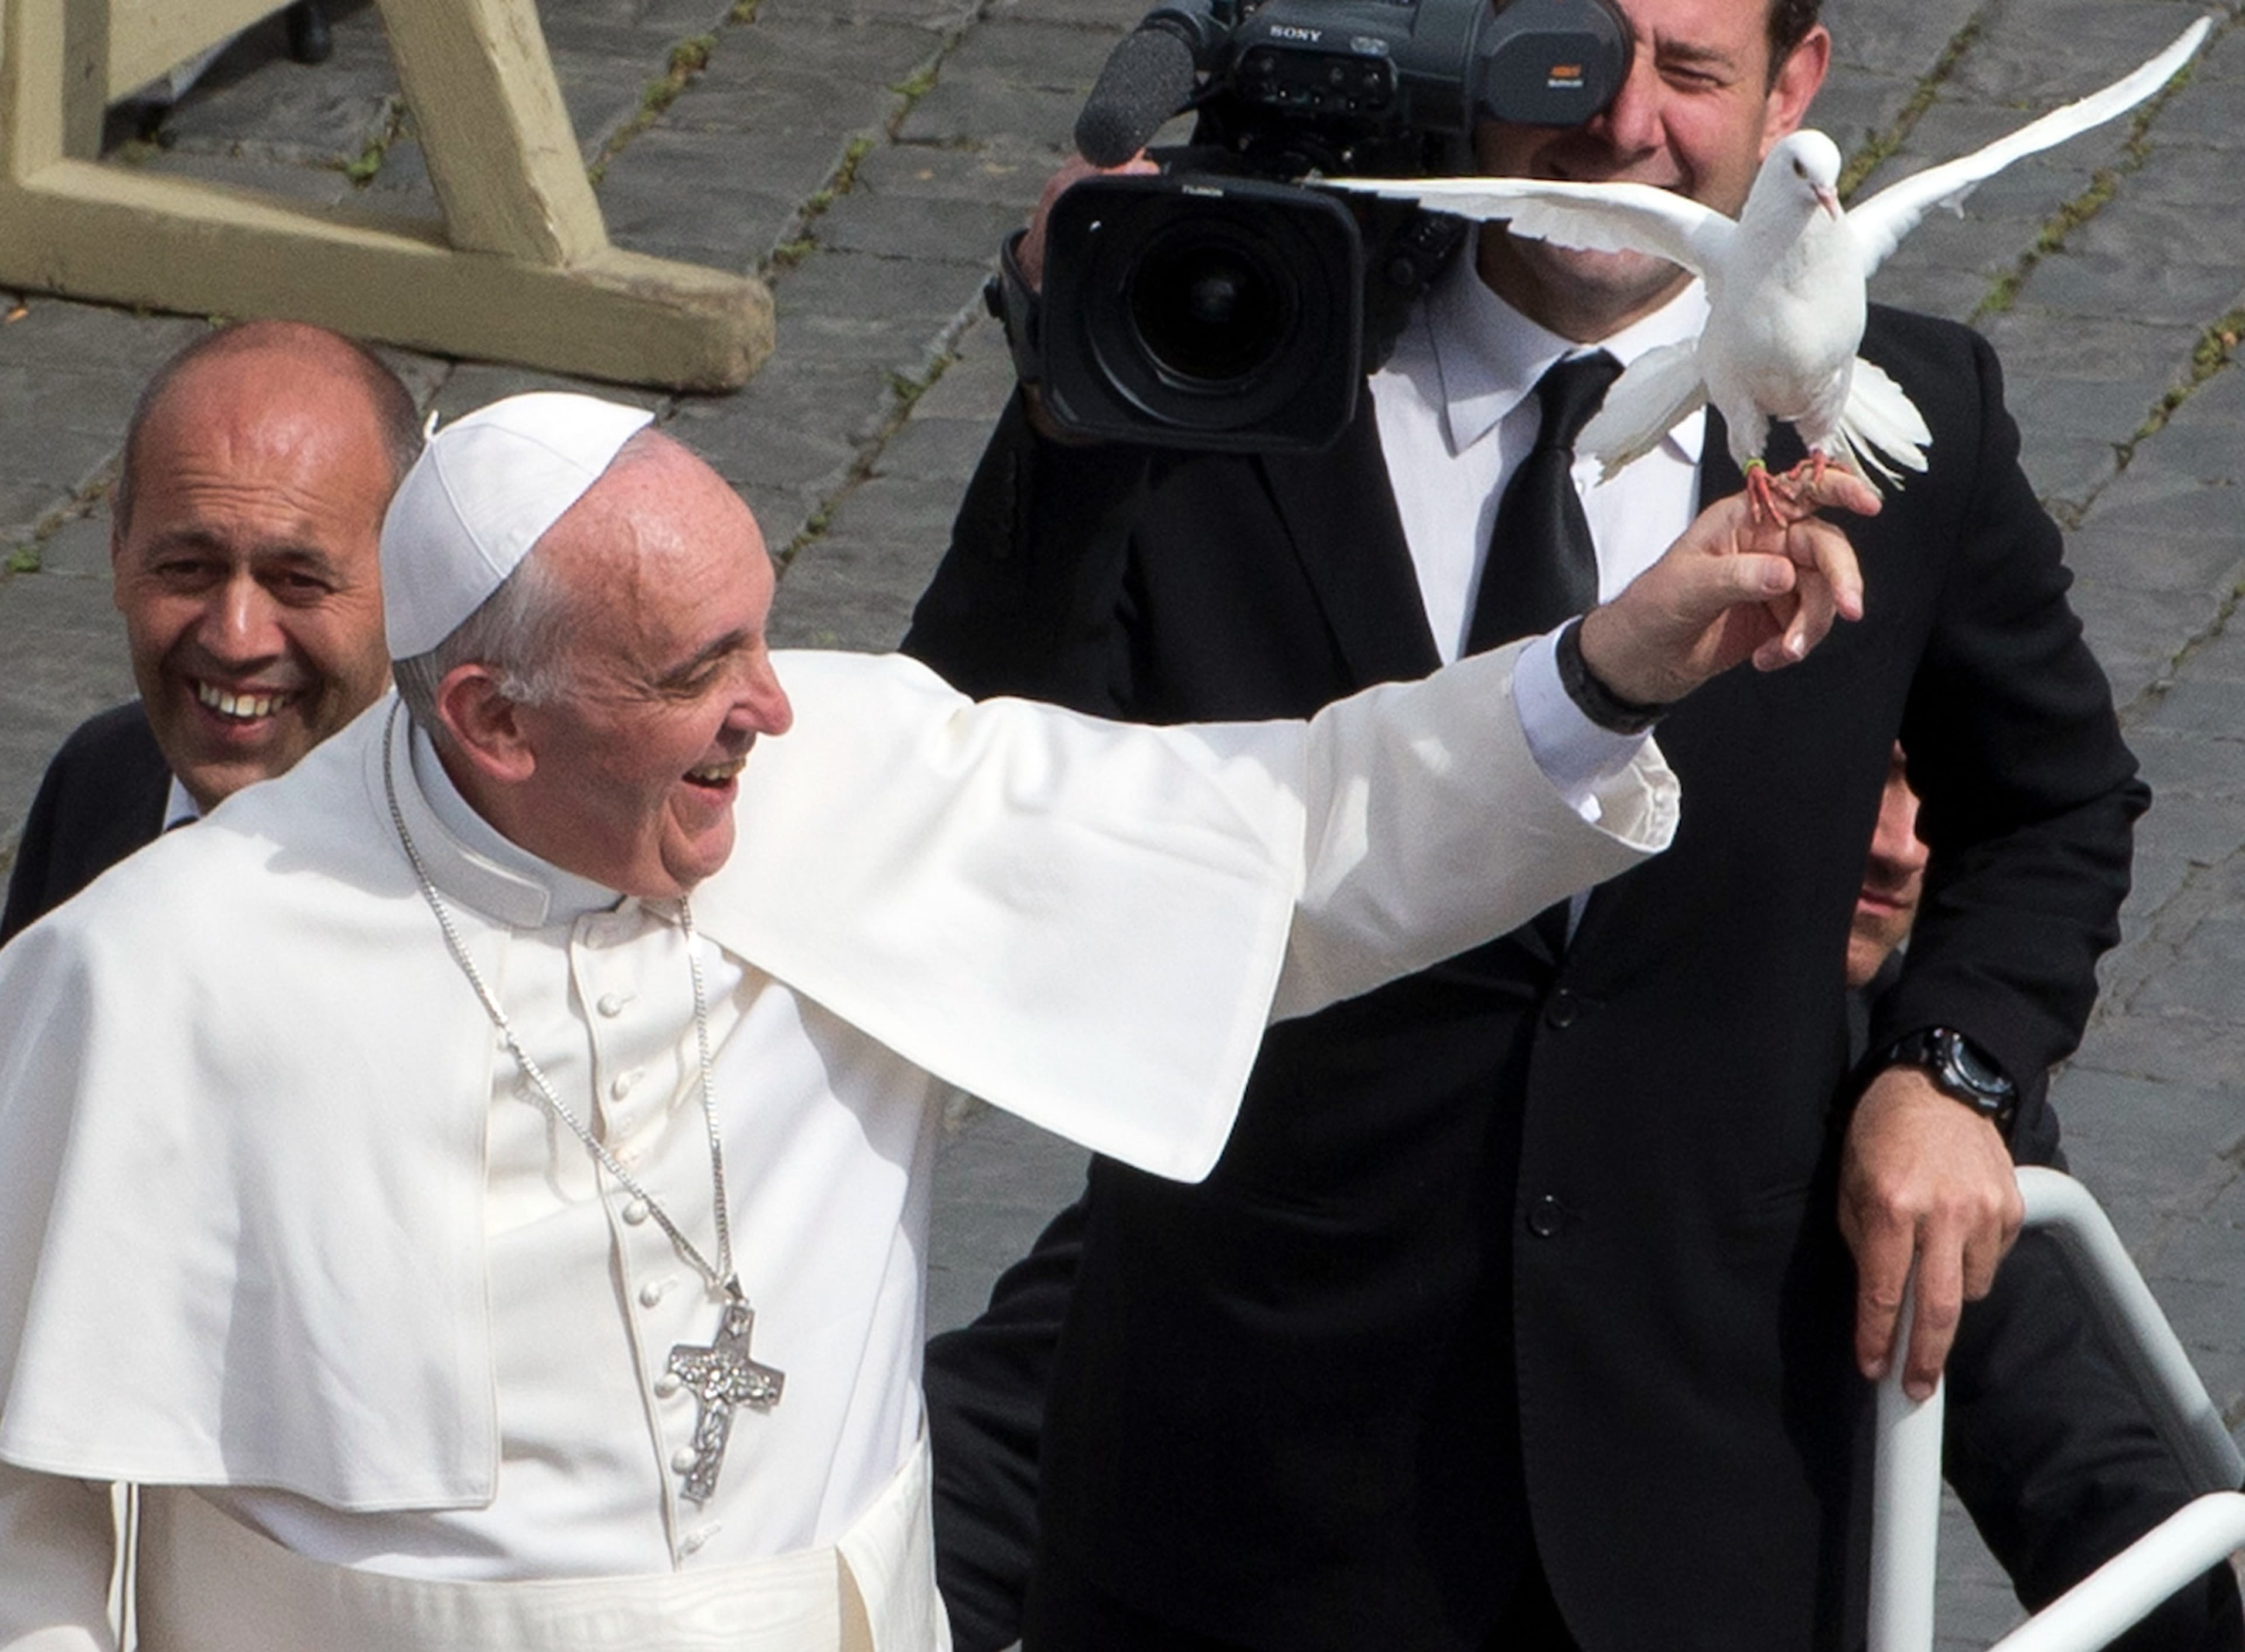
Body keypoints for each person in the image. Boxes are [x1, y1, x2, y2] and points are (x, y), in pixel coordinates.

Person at [0, 389, 1864, 1650]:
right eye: (695, 672)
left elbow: (1280, 838)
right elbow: (34, 1525)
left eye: (760, 633)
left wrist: (1607, 673)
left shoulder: (844, 782)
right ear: (493, 718)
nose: (775, 710)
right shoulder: (157, 980)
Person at [901, 0, 2156, 1646]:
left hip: (1697, 1512)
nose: (1623, 126)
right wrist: (1075, 395)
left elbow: (2055, 801)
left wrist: (1956, 1074)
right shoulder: (1222, 355)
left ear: (1796, 89)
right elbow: (967, 764)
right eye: (1565, 60)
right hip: (1250, 1512)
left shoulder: (1910, 410)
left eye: (1692, 74)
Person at [0, 319, 416, 943]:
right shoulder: (99, 779)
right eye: (188, 569)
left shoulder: (467, 903)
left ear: (410, 576)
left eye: (298, 581)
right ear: (118, 550)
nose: (236, 639)